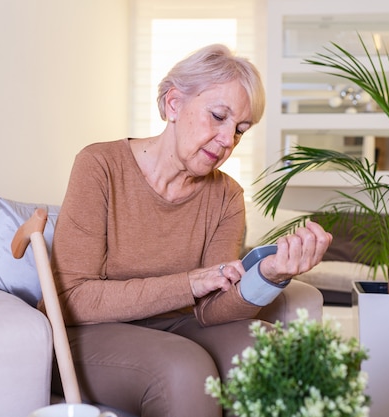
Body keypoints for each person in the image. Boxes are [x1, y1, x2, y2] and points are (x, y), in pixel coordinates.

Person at [48, 44, 332, 417]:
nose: (228, 140)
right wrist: (189, 283)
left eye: (240, 130)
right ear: (173, 104)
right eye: (218, 116)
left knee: (278, 355)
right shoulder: (100, 166)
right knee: (184, 370)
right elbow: (73, 299)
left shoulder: (227, 195)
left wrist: (268, 275)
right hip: (91, 333)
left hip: (182, 326)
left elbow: (211, 311)